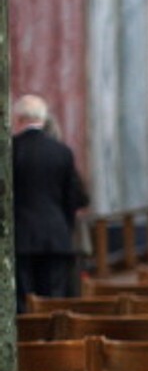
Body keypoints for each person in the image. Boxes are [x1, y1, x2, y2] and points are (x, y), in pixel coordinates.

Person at [12, 94, 89, 311]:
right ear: (44, 120)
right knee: (53, 302)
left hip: (20, 239)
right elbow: (72, 197)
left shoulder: (10, 150)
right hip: (56, 237)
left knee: (23, 304)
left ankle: (29, 345)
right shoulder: (62, 152)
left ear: (18, 118)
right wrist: (65, 228)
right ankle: (53, 344)